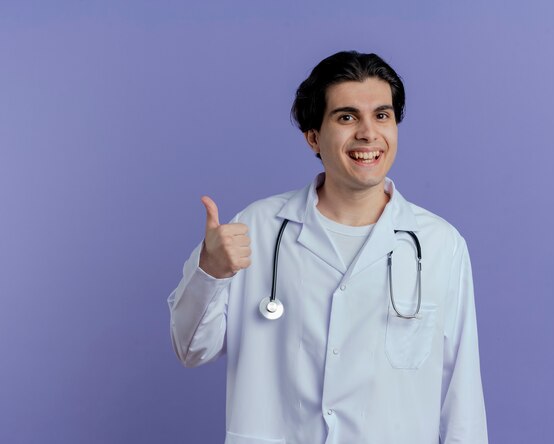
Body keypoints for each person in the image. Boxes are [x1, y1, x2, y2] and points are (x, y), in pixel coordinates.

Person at [168, 50, 488, 444]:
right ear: (313, 137)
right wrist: (210, 271)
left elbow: (461, 396)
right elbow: (190, 349)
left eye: (382, 115)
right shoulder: (256, 229)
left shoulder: (440, 245)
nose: (368, 133)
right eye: (347, 116)